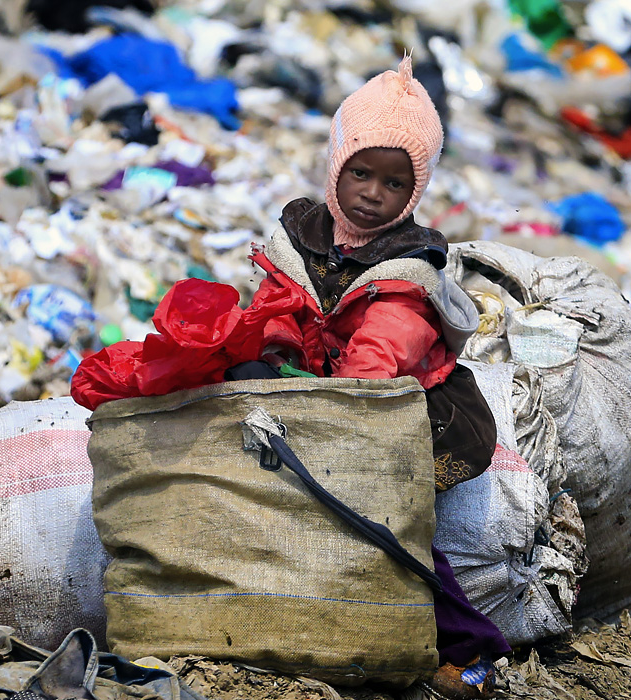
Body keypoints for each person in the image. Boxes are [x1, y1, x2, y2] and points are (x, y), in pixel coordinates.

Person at [244, 56, 511, 700]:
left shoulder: (408, 268)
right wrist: (269, 353)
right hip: (325, 390)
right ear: (336, 164)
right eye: (360, 172)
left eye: (394, 183)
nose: (371, 194)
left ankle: (471, 650)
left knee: (387, 520)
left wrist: (335, 404)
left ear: (414, 193)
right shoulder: (304, 234)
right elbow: (275, 307)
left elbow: (381, 351)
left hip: (406, 410)